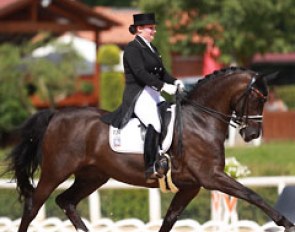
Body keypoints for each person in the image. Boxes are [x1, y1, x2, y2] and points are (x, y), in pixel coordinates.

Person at [101, 13, 184, 182]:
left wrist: (175, 81)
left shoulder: (152, 48)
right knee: (154, 122)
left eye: (154, 28)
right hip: (138, 94)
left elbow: (161, 72)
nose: (154, 31)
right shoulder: (132, 49)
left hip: (153, 93)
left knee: (170, 118)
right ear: (139, 29)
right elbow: (140, 74)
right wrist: (163, 86)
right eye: (151, 28)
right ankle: (151, 166)